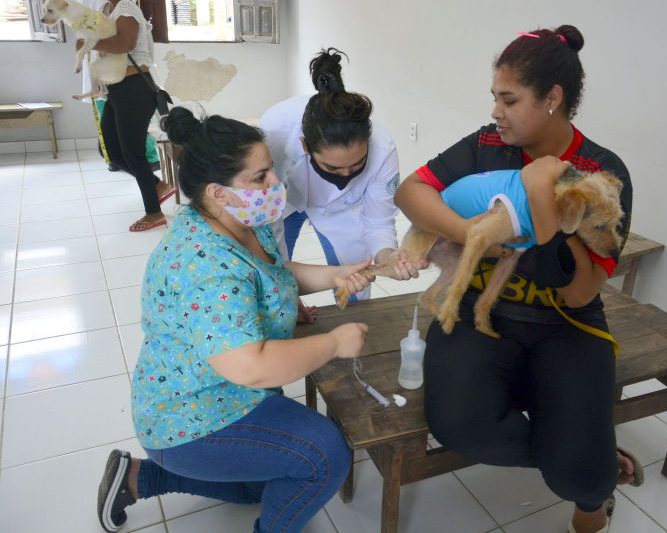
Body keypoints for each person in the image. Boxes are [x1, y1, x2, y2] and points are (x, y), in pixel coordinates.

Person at [395, 26, 638, 533]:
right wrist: (473, 234)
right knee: (460, 426)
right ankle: (580, 457)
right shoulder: (488, 145)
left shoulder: (600, 171)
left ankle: (590, 498)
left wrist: (542, 199)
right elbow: (411, 192)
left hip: (565, 325)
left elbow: (578, 290)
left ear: (553, 98)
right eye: (494, 98)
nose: (495, 112)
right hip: (483, 310)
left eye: (509, 100)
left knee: (580, 477)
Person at [96, 107, 375, 533]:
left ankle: (140, 477)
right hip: (192, 417)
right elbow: (251, 365)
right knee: (324, 455)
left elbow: (277, 274)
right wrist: (335, 343)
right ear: (218, 192)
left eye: (272, 172)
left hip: (228, 397)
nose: (276, 185)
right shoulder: (203, 262)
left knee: (260, 484)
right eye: (260, 178)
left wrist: (337, 274)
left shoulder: (244, 221)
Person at [261, 48, 422, 302]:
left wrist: (388, 256)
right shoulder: (274, 135)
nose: (346, 174)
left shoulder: (383, 149)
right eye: (333, 169)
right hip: (285, 202)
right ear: (305, 146)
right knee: (274, 282)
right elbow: (268, 220)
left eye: (357, 165)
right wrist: (286, 290)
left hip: (339, 212)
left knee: (353, 285)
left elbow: (378, 221)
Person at [87, 0, 175, 231]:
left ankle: (154, 213)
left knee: (132, 153)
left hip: (135, 87)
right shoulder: (107, 9)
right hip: (116, 89)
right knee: (112, 152)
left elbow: (125, 43)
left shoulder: (126, 8)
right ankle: (157, 185)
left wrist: (89, 42)